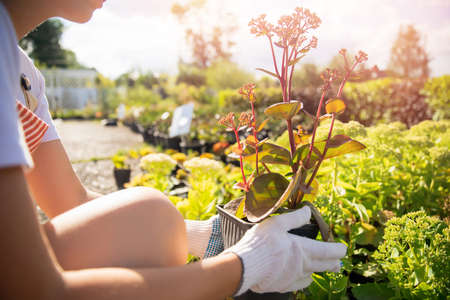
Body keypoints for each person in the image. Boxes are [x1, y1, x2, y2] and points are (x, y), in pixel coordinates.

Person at [0, 0, 347, 299]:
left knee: (153, 216)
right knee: (152, 218)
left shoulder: (21, 72)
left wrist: (201, 236)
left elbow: (69, 203)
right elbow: (33, 290)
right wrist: (247, 264)